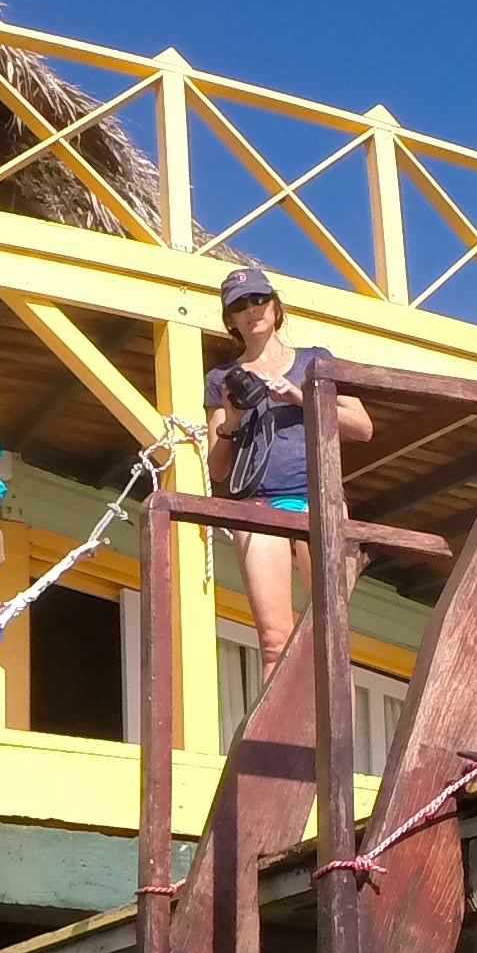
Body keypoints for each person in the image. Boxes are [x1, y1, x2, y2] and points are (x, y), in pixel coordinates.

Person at [206, 262, 373, 667]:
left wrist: (302, 397)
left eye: (260, 299)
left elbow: (363, 427)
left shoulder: (317, 361)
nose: (253, 309)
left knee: (330, 635)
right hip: (259, 506)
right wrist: (230, 418)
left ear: (276, 307)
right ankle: (274, 733)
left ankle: (340, 733)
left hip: (322, 501)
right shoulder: (223, 378)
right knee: (274, 641)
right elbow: (217, 470)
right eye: (241, 304)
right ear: (231, 320)